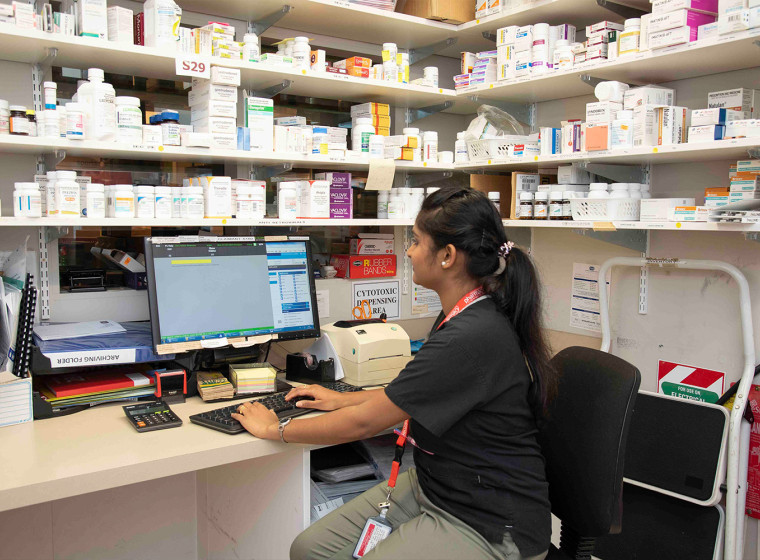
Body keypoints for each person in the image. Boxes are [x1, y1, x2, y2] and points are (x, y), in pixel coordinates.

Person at [232, 185, 557, 560]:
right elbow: (414, 394)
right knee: (309, 551)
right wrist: (344, 399)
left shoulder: (471, 336)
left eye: (416, 241)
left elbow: (364, 424)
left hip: (488, 519)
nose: (409, 251)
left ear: (448, 256)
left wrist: (276, 429)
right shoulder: (464, 313)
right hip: (437, 485)